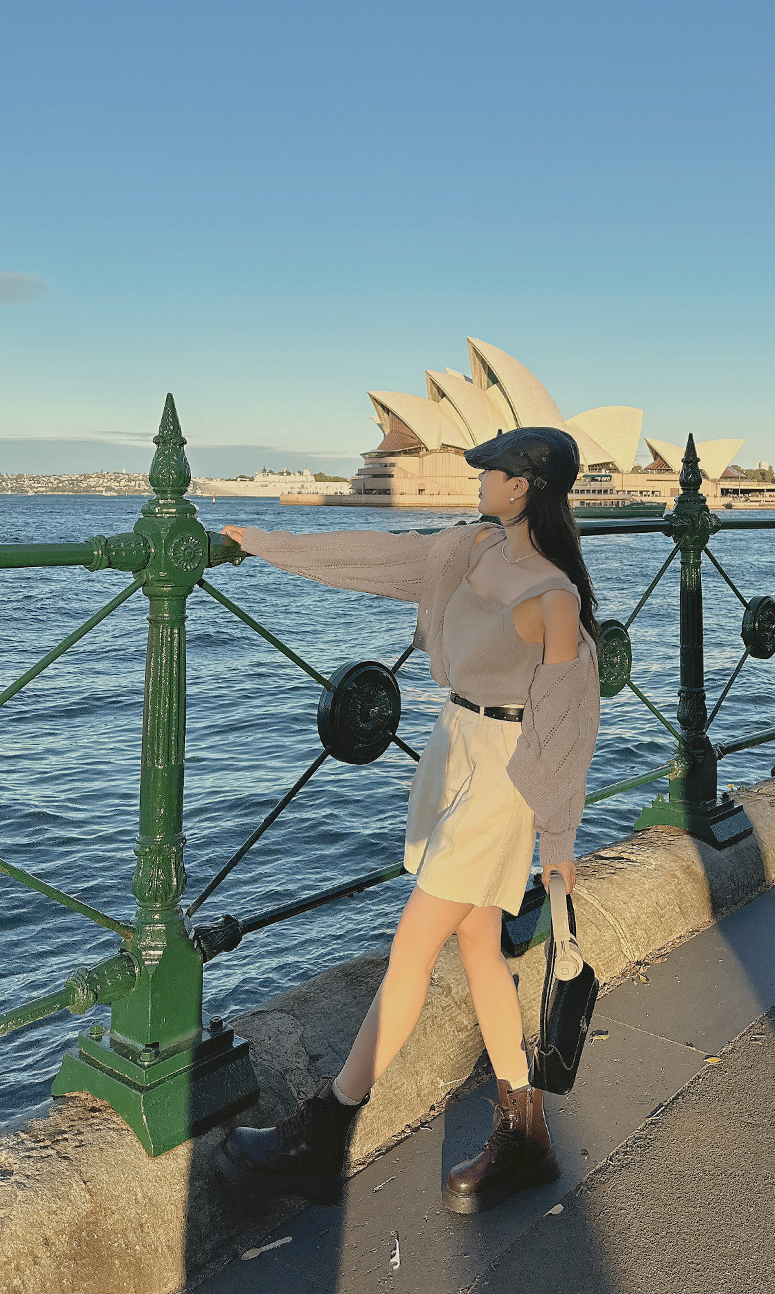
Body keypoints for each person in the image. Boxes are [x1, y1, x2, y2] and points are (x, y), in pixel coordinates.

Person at [215, 427, 600, 1214]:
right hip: (453, 748)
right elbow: (377, 559)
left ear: (523, 487)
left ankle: (324, 1132)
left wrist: (557, 841)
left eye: (491, 471)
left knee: (413, 948)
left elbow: (567, 729)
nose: (479, 480)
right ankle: (527, 1134)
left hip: (503, 778)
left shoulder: (555, 598)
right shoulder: (468, 550)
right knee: (478, 944)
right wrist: (265, 543)